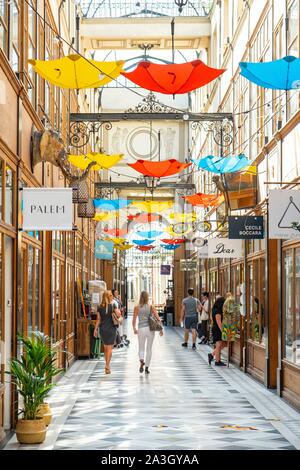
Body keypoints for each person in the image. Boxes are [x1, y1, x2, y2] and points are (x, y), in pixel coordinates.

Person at [132, 291, 163, 374]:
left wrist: (134, 328)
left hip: (141, 329)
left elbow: (134, 319)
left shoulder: (137, 307)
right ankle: (147, 368)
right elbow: (158, 318)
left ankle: (141, 360)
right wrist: (161, 329)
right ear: (147, 297)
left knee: (141, 347)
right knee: (149, 349)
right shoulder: (151, 307)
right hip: (150, 329)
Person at [94, 290, 121, 374]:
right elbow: (119, 315)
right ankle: (107, 365)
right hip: (111, 329)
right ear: (108, 296)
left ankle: (107, 365)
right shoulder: (113, 305)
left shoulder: (99, 307)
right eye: (111, 295)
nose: (112, 296)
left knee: (106, 348)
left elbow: (98, 320)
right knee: (109, 349)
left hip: (103, 330)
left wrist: (95, 329)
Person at [208, 296, 226, 366]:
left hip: (216, 328)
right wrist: (223, 331)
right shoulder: (217, 311)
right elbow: (219, 322)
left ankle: (212, 355)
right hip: (217, 329)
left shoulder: (214, 309)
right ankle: (217, 361)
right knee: (218, 345)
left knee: (222, 344)